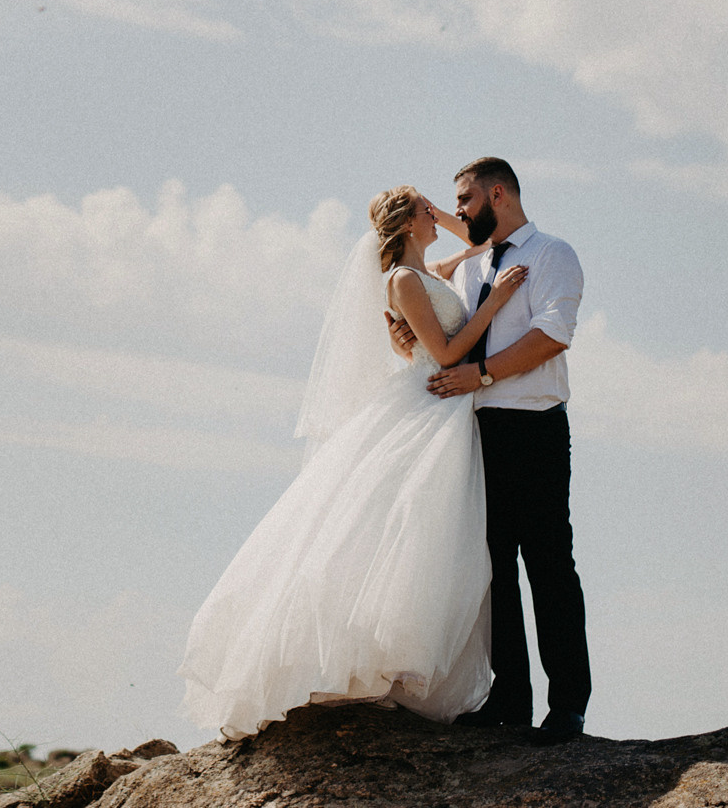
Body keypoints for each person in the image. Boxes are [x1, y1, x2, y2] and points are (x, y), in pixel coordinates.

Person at [178, 186, 527, 739]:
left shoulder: (430, 272)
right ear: (408, 223)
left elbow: (479, 244)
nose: (437, 215)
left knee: (433, 534)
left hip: (447, 407)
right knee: (406, 526)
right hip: (431, 400)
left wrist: (440, 218)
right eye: (427, 210)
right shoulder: (404, 279)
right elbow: (445, 353)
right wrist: (495, 302)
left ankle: (404, 671)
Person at [390, 157, 589, 745]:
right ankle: (510, 698)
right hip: (475, 433)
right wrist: (409, 341)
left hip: (534, 428)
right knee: (492, 569)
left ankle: (567, 706)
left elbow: (551, 336)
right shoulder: (472, 268)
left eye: (465, 200)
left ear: (497, 194)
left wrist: (479, 374)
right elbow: (448, 341)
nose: (456, 211)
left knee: (549, 564)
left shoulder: (554, 254)